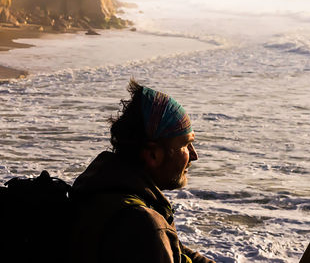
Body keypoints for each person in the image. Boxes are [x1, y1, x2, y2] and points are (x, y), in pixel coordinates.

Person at [68, 79, 215, 263]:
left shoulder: (98, 186)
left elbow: (177, 251)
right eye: (185, 145)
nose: (194, 156)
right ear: (153, 155)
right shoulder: (143, 226)